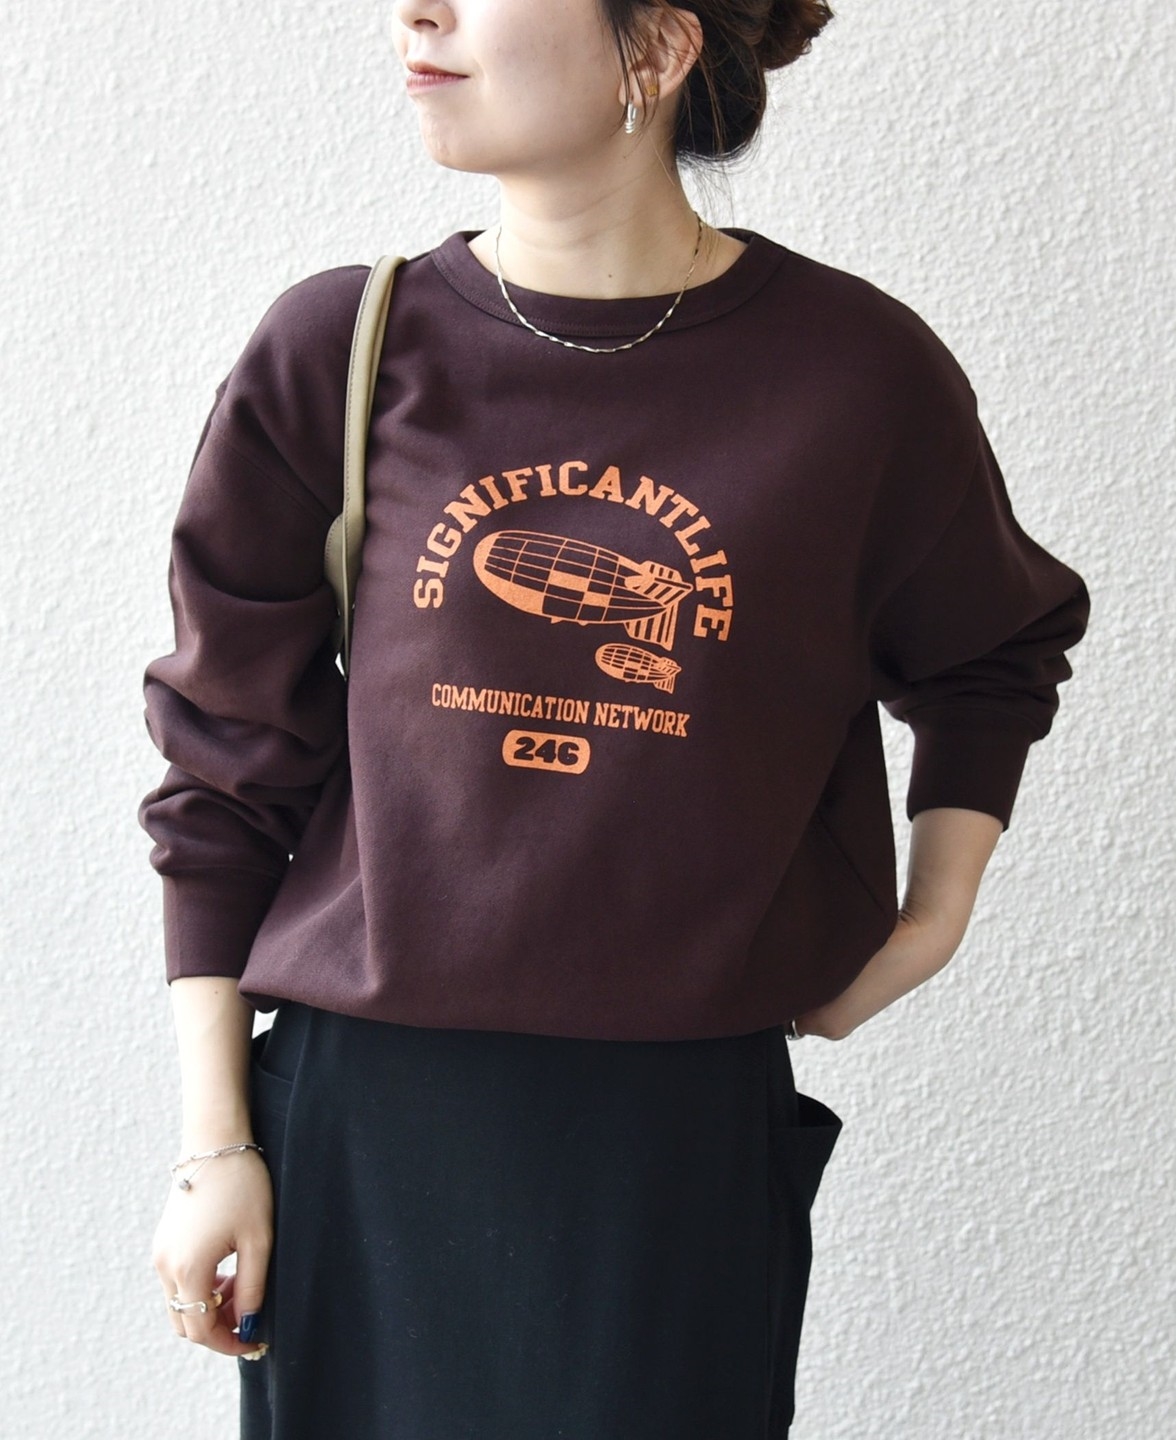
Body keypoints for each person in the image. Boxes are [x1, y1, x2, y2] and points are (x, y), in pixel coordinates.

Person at [140, 2, 1091, 1437]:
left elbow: (994, 646)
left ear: (657, 45)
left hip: (674, 1151)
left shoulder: (853, 374)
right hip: (359, 1129)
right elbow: (226, 769)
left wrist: (932, 917)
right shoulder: (340, 349)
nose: (416, 13)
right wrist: (216, 1145)